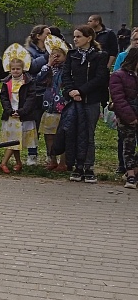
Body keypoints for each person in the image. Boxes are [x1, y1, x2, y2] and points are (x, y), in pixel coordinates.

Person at [62, 25, 109, 183]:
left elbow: (100, 78)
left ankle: (88, 167)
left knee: (88, 134)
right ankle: (77, 166)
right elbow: (66, 75)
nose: (75, 39)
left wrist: (81, 91)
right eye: (74, 36)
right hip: (74, 100)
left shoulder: (100, 56)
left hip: (91, 100)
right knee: (73, 132)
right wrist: (71, 92)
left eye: (79, 36)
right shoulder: (72, 55)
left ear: (89, 38)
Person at [0, 59, 38, 174]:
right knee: (14, 140)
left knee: (15, 140)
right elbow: (4, 98)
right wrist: (9, 111)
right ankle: (18, 162)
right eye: (13, 69)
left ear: (23, 69)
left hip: (23, 115)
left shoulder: (28, 82)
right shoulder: (7, 82)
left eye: (18, 69)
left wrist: (22, 111)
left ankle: (3, 163)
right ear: (10, 70)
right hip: (11, 115)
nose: (15, 71)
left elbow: (31, 98)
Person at [109, 48, 138, 188]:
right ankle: (131, 174)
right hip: (127, 116)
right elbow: (118, 98)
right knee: (129, 145)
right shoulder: (119, 75)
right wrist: (130, 117)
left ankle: (135, 170)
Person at [36, 47, 67, 171]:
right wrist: (48, 64)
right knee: (49, 134)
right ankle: (52, 159)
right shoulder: (48, 69)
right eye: (53, 55)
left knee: (63, 135)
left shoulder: (67, 69)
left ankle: (63, 162)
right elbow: (39, 79)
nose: (55, 58)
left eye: (58, 56)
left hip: (63, 107)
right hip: (49, 106)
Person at [23, 25, 50, 165]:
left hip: (50, 92)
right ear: (38, 36)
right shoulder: (29, 51)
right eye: (47, 33)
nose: (50, 36)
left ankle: (51, 155)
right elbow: (31, 67)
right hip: (35, 92)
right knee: (34, 124)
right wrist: (47, 57)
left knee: (51, 126)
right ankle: (32, 154)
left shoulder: (52, 50)